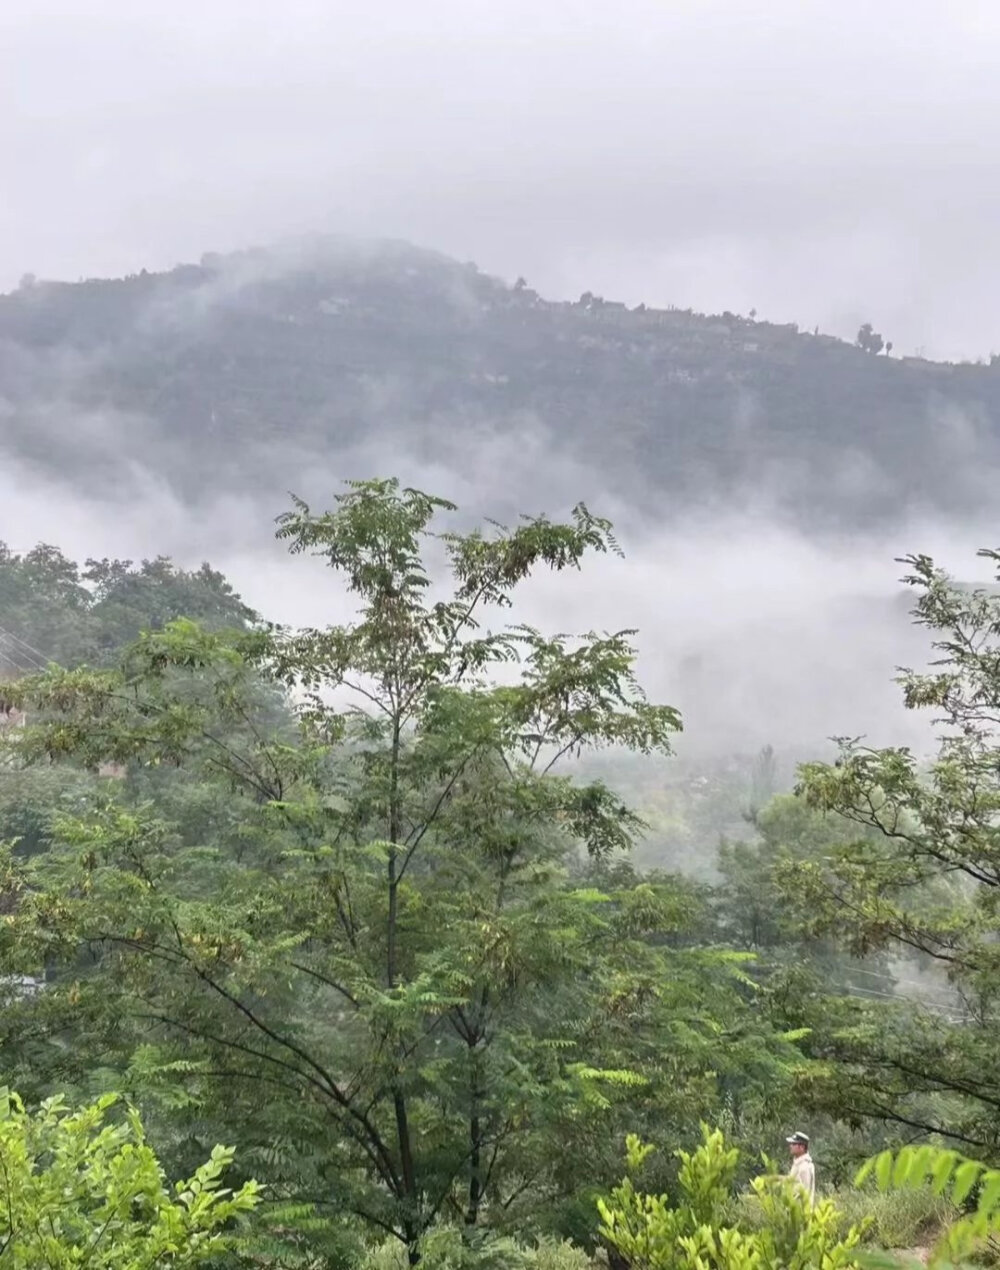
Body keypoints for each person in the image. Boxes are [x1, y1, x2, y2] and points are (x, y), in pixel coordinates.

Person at [786, 1131, 815, 1203]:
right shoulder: (798, 1164)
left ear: (802, 1147)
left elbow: (805, 1193)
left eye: (794, 1144)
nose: (791, 1146)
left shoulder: (804, 1167)